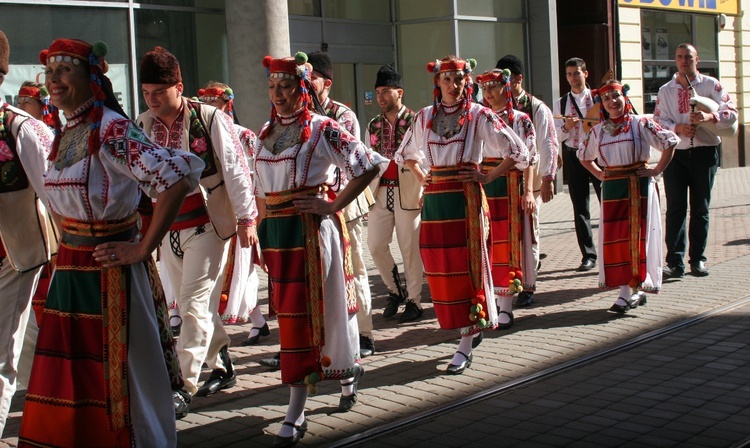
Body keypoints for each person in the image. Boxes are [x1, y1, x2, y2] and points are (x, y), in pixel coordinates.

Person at [18, 37, 202, 447]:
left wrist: (142, 247)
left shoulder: (111, 128)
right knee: (74, 375)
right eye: (50, 72)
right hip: (71, 267)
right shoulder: (66, 130)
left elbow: (173, 180)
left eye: (65, 70)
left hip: (109, 273)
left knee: (121, 373)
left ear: (92, 76)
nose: (55, 81)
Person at [255, 53, 383, 446]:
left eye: (286, 85)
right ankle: (346, 372)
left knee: (310, 316)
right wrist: (260, 229)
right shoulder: (266, 131)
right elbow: (262, 187)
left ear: (303, 87)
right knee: (304, 314)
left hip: (312, 233)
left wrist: (332, 204)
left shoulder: (322, 128)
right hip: (279, 236)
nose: (278, 93)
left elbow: (368, 164)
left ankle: (296, 409)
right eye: (273, 86)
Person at [137, 47, 257, 415]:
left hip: (208, 224)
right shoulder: (142, 124)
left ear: (179, 87)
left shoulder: (209, 118)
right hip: (167, 227)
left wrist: (247, 218)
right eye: (146, 93)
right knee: (194, 305)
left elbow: (236, 169)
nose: (152, 100)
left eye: (159, 92)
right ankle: (222, 361)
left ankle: (182, 385)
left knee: (191, 305)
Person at [396, 55, 527, 375]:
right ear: (437, 83)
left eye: (459, 80)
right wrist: (423, 175)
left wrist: (487, 176)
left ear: (467, 82)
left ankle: (466, 339)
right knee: (439, 268)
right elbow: (405, 155)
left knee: (466, 267)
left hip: (466, 201)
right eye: (447, 80)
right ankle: (466, 327)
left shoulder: (478, 114)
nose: (454, 86)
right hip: (436, 201)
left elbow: (518, 151)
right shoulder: (424, 116)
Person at [579, 80, 677, 313]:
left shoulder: (640, 123)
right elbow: (583, 156)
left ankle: (634, 289)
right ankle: (627, 288)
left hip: (637, 186)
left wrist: (656, 170)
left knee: (637, 238)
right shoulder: (599, 130)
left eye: (616, 97)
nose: (612, 102)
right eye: (606, 99)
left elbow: (669, 142)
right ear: (601, 103)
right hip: (613, 190)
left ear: (625, 97)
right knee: (617, 241)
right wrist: (601, 175)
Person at [308, 51, 381, 362]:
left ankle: (364, 334)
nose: (307, 84)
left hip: (344, 203)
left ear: (327, 82)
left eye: (312, 79)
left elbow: (352, 164)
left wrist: (334, 201)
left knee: (354, 268)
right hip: (315, 206)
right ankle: (325, 341)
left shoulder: (343, 115)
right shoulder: (300, 115)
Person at [0, 31, 54, 437]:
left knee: (2, 350)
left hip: (12, 255)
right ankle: (41, 388)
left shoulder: (20, 129)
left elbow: (54, 192)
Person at [654, 43, 738, 278]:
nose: (684, 61)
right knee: (675, 209)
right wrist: (677, 127)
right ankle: (675, 262)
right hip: (676, 155)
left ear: (697, 59)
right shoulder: (665, 90)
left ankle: (698, 260)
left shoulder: (712, 85)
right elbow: (657, 121)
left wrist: (710, 116)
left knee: (700, 209)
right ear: (675, 60)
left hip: (704, 153)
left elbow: (731, 111)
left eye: (688, 57)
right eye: (679, 57)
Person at [197, 81, 267, 345]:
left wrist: (252, 211)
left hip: (241, 208)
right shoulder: (199, 136)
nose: (207, 108)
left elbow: (256, 174)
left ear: (226, 103)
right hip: (213, 208)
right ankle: (258, 321)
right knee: (229, 268)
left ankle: (256, 322)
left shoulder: (245, 135)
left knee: (241, 267)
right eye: (204, 103)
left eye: (212, 103)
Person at [495, 55, 559, 307]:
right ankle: (506, 279)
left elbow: (548, 143)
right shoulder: (489, 106)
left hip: (528, 181)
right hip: (499, 182)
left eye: (505, 79)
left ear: (518, 79)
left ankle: (527, 285)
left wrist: (548, 178)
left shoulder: (535, 107)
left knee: (529, 230)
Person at [364, 65, 424, 330]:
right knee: (375, 245)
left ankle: (414, 300)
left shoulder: (416, 120)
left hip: (409, 190)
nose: (381, 97)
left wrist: (426, 187)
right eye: (378, 92)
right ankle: (394, 289)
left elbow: (426, 156)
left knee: (410, 247)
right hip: (380, 191)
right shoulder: (372, 125)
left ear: (399, 92)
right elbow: (366, 161)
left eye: (386, 91)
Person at [476, 68, 536, 329]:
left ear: (506, 87)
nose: (488, 93)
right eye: (484, 89)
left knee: (507, 242)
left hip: (510, 183)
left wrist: (530, 191)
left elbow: (530, 158)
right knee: (483, 241)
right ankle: (487, 301)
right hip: (482, 182)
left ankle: (506, 306)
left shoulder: (520, 119)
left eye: (493, 87)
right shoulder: (478, 117)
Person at [552, 57, 601, 273]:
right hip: (574, 156)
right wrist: (566, 126)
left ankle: (612, 250)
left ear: (585, 74)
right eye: (569, 74)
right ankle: (588, 255)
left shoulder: (599, 98)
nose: (573, 77)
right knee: (580, 207)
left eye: (576, 73)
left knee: (607, 202)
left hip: (599, 156)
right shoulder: (561, 103)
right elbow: (556, 136)